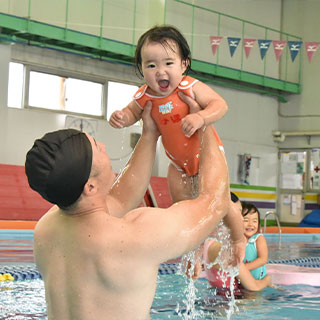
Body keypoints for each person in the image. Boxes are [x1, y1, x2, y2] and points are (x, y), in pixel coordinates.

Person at [25, 100, 244, 320]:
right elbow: (214, 202)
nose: (103, 145)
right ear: (90, 186)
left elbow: (120, 198)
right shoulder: (134, 236)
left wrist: (149, 134)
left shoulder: (46, 228)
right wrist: (204, 121)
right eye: (96, 148)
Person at [109, 25, 228, 203]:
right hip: (178, 165)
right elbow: (131, 113)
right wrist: (121, 118)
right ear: (141, 68)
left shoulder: (189, 87)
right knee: (181, 205)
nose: (160, 71)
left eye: (168, 63)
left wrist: (200, 117)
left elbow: (220, 104)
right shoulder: (145, 95)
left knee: (220, 203)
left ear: (184, 64)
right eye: (151, 65)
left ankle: (238, 231)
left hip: (208, 154)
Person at [188, 194, 270, 293]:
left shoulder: (207, 242)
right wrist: (267, 280)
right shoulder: (223, 249)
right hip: (236, 302)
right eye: (239, 213)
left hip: (219, 298)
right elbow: (254, 287)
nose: (241, 219)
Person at [241, 202, 268, 280]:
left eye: (254, 221)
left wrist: (241, 270)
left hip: (258, 281)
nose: (250, 224)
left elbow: (263, 260)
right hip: (242, 282)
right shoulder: (235, 241)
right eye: (246, 220)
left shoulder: (258, 239)